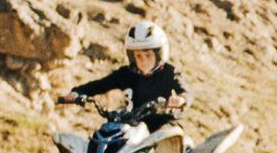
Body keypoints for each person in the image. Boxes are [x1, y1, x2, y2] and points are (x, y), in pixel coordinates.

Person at [59, 21, 188, 130]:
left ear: (159, 54)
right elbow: (100, 85)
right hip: (135, 127)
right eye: (138, 56)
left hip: (164, 127)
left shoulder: (170, 72)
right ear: (132, 56)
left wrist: (181, 99)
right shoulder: (126, 74)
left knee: (170, 137)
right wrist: (77, 92)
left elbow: (185, 92)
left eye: (148, 55)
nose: (143, 61)